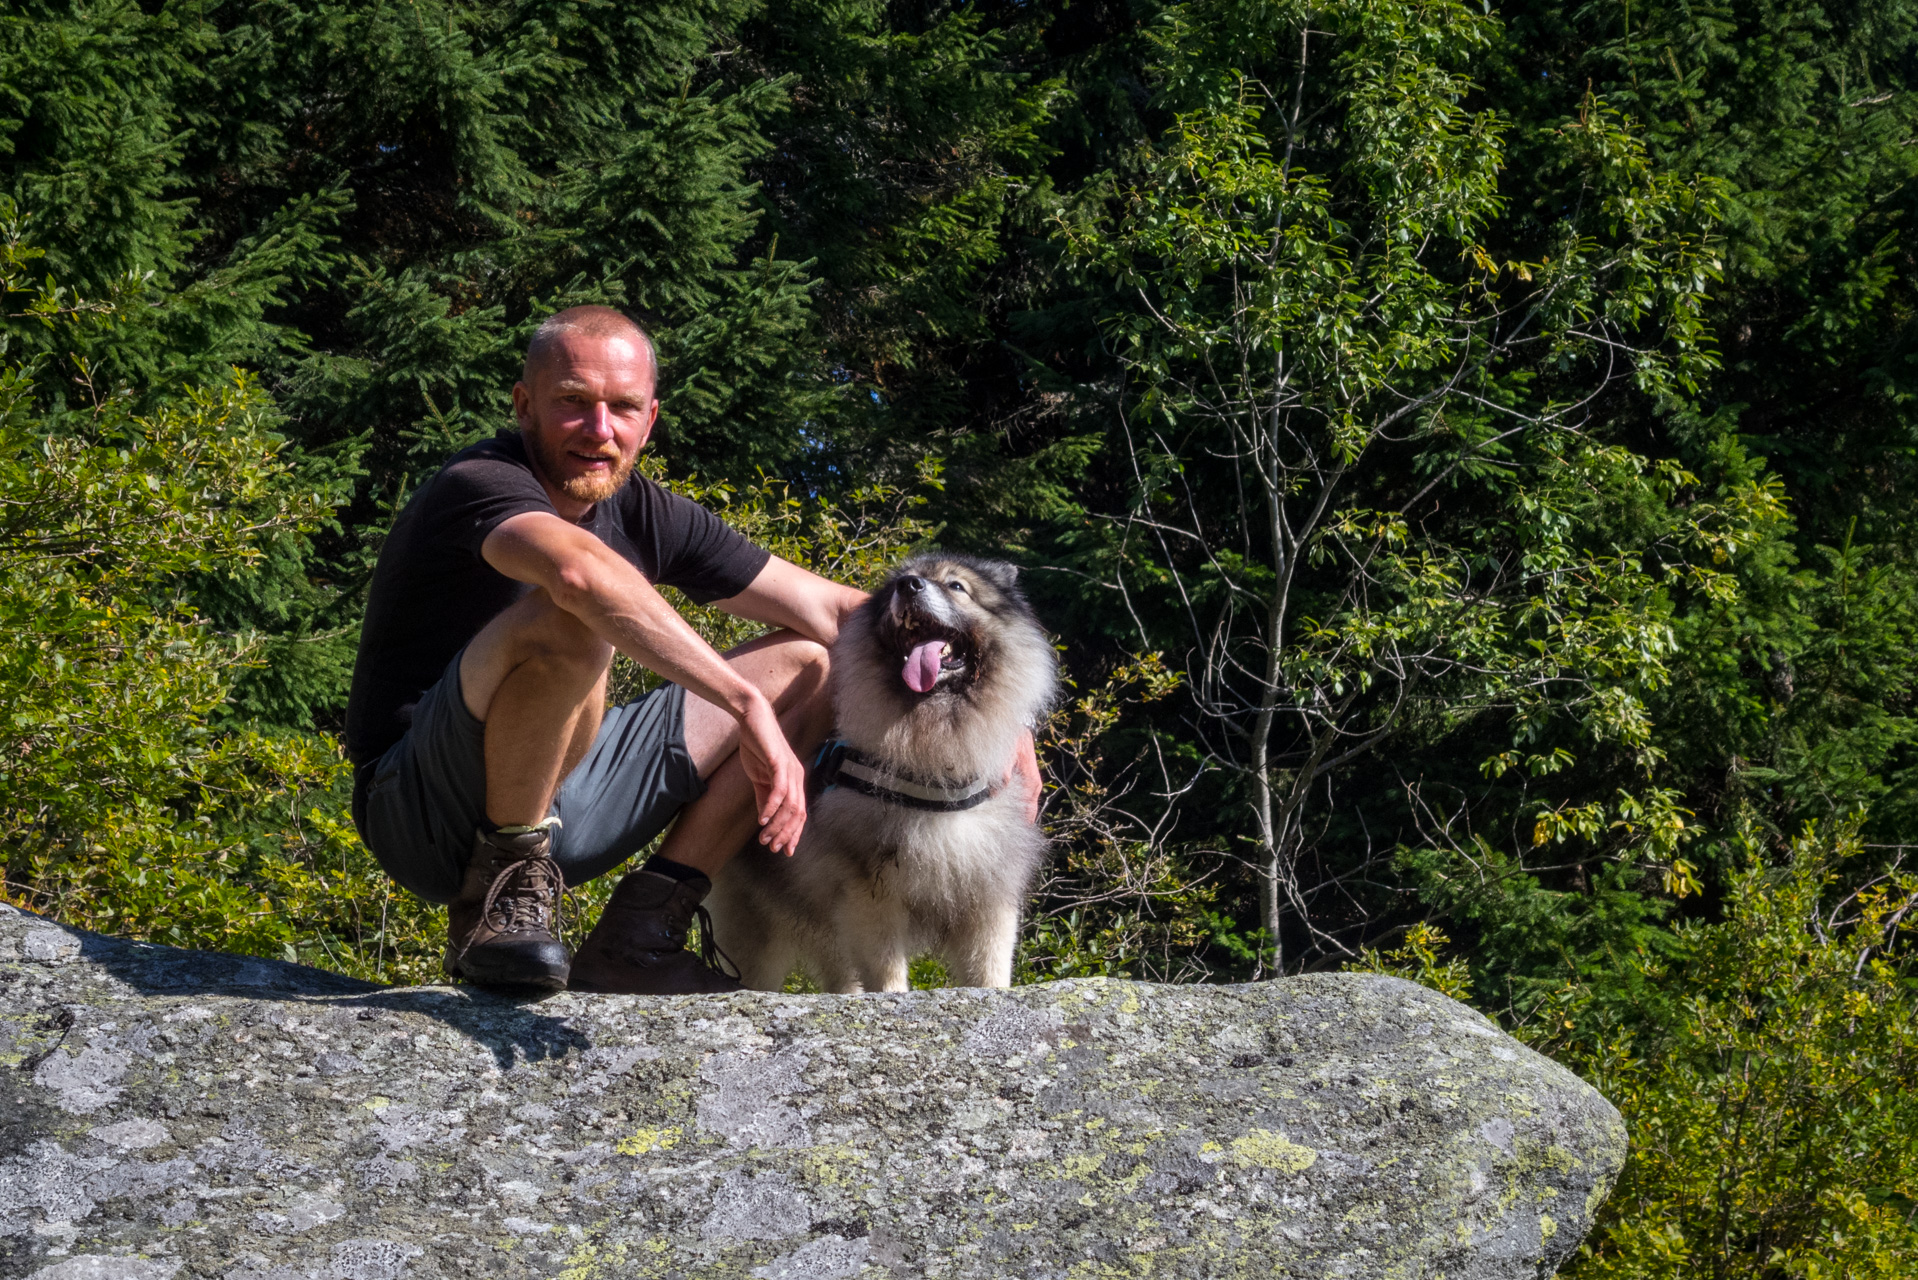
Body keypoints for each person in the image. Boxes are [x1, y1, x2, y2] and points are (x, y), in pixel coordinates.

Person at [345, 306, 1039, 995]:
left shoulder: (644, 510)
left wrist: (1003, 721)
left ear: (650, 418)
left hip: (568, 797)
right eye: (573, 404)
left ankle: (641, 934)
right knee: (574, 618)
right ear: (524, 405)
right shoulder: (482, 481)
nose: (600, 430)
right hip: (417, 809)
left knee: (811, 663)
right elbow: (579, 576)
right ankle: (500, 896)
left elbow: (839, 611)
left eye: (622, 408)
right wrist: (742, 704)